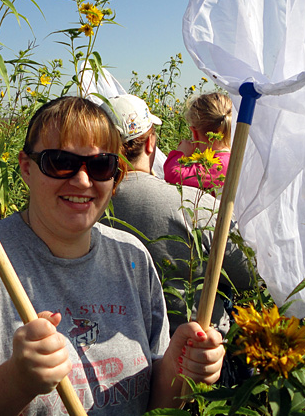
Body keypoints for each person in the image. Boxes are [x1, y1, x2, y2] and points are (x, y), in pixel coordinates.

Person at [0, 97, 225, 416]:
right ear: (26, 168)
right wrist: (16, 382)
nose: (81, 180)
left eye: (101, 166)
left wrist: (180, 369)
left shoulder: (132, 258)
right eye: (60, 162)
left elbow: (155, 403)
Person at [103, 94, 254, 386]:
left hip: (119, 361)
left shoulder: (82, 207)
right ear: (150, 143)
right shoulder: (189, 203)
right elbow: (246, 274)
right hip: (199, 356)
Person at [163, 92, 233, 194]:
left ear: (194, 133)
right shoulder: (233, 159)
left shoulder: (220, 164)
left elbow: (173, 173)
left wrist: (181, 153)